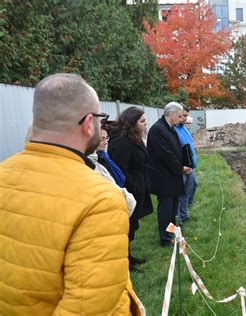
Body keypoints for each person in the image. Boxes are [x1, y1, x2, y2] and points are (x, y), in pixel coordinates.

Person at [0, 73, 142, 314]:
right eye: (100, 118)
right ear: (88, 123)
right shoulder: (101, 199)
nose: (101, 125)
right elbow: (88, 308)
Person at [108, 107, 153, 272]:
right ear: (131, 123)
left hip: (138, 186)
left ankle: (129, 256)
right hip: (130, 190)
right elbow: (120, 170)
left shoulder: (134, 138)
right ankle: (124, 261)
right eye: (142, 121)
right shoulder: (121, 142)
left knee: (132, 225)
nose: (145, 124)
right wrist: (133, 186)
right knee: (126, 225)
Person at [147, 102, 192, 247]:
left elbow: (175, 150)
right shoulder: (157, 130)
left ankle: (171, 233)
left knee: (173, 207)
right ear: (171, 114)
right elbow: (165, 154)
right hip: (164, 177)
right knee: (166, 208)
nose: (180, 119)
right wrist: (180, 168)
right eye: (179, 116)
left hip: (172, 176)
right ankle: (165, 239)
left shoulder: (169, 128)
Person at [89, 125, 137, 217]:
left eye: (106, 138)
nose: (106, 142)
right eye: (102, 138)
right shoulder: (94, 161)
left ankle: (172, 229)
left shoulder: (104, 157)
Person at [174, 107, 198, 222]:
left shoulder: (183, 128)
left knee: (191, 187)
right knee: (181, 192)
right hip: (182, 167)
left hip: (190, 166)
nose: (184, 119)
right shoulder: (174, 130)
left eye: (186, 116)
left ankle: (184, 214)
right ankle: (179, 218)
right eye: (183, 116)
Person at [184, 115, 198, 206]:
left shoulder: (187, 132)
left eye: (190, 123)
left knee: (194, 184)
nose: (189, 125)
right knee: (188, 186)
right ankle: (185, 207)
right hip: (186, 165)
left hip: (191, 164)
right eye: (187, 123)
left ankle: (189, 202)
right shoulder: (181, 131)